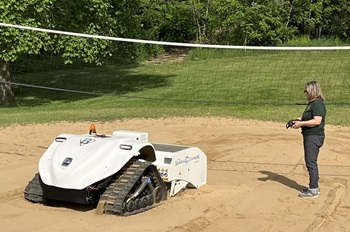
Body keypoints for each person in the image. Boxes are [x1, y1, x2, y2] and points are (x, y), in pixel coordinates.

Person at [291, 81, 326, 198]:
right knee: (310, 161)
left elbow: (317, 121)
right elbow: (309, 117)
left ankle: (314, 189)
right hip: (310, 136)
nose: (305, 93)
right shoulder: (312, 104)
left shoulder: (317, 104)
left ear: (312, 91)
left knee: (311, 162)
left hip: (314, 137)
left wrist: (301, 124)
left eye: (306, 90)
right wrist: (297, 120)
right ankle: (313, 186)